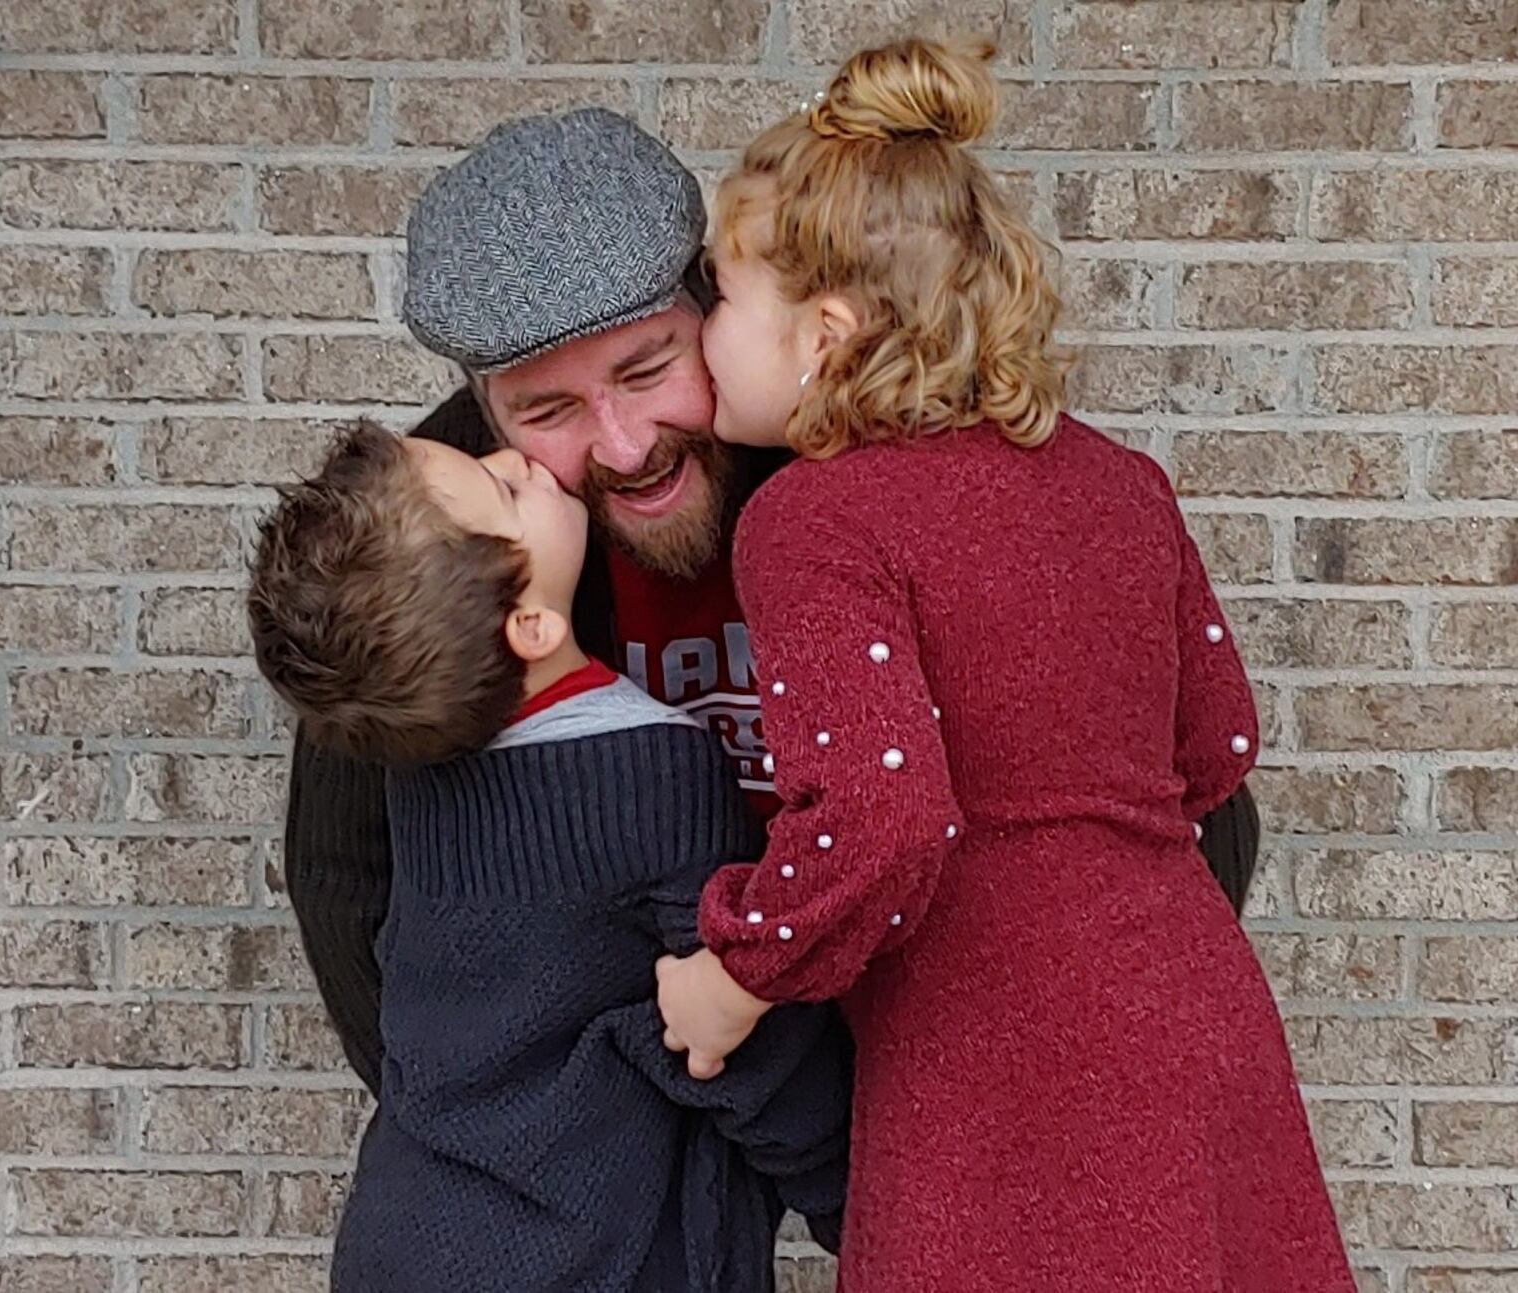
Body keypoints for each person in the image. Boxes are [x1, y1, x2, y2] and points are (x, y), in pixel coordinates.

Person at [280, 106, 1264, 1115]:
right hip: (631, 1134)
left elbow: (1167, 802)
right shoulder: (456, 516)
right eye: (548, 412)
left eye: (647, 370)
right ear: (484, 414)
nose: (623, 447)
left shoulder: (898, 458)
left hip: (947, 1088)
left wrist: (1096, 1073)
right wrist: (473, 1131)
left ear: (718, 309)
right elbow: (344, 868)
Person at [651, 38, 1354, 1293]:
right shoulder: (1120, 484)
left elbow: (878, 818)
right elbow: (1215, 748)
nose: (702, 334)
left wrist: (738, 970)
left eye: (721, 296)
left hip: (1007, 1059)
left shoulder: (814, 520)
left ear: (823, 332)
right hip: (1194, 1017)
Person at [247, 423, 850, 1292]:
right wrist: (845, 1191)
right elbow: (745, 1029)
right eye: (505, 489)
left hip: (407, 1235)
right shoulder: (649, 774)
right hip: (600, 1252)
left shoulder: (421, 777)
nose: (515, 457)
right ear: (530, 623)